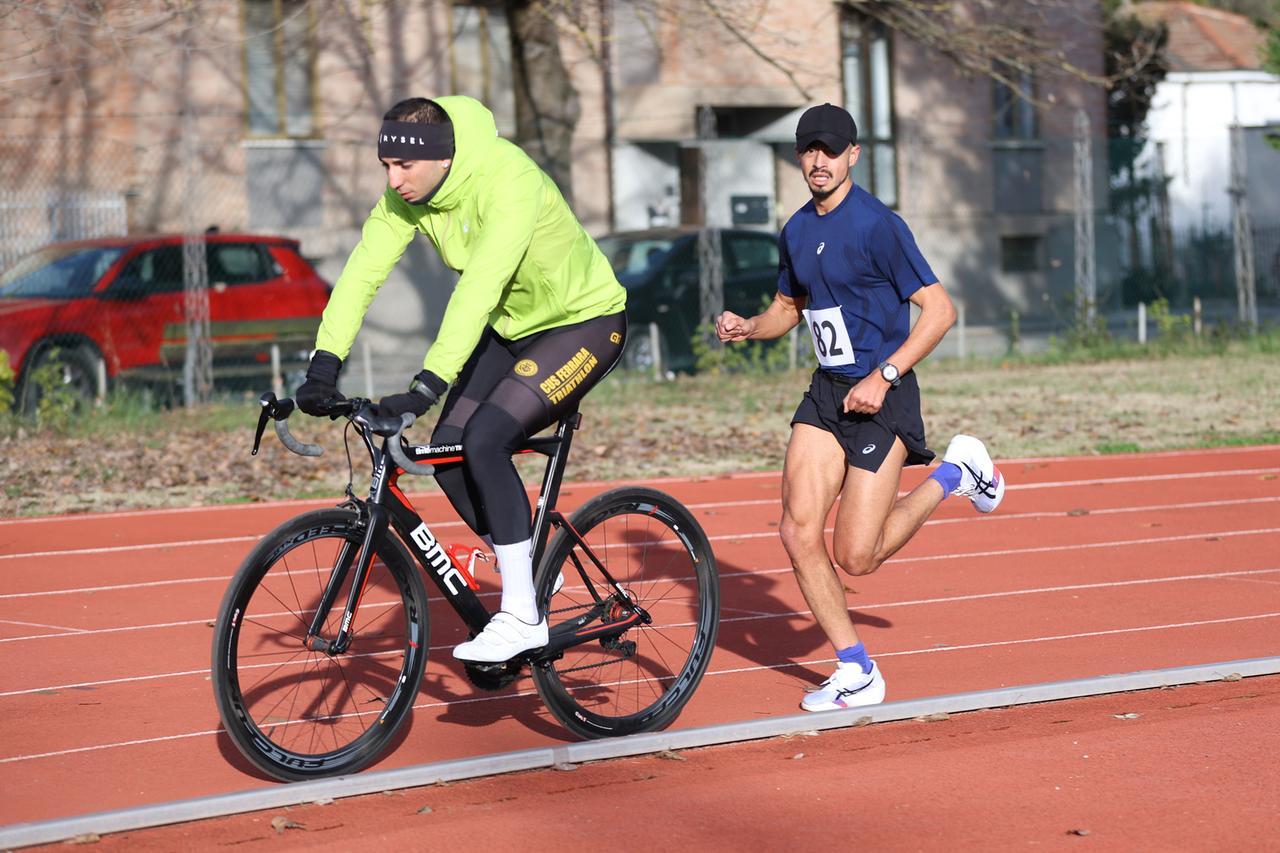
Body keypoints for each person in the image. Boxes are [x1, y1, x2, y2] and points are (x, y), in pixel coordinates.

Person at [294, 96, 627, 663]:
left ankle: (521, 612)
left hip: (584, 323)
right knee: (445, 455)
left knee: (484, 438)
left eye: (404, 167)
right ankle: (531, 578)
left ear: (442, 158)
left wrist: (425, 385)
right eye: (386, 167)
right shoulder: (409, 198)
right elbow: (361, 275)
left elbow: (478, 288)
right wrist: (324, 362)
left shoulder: (509, 178)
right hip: (511, 328)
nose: (393, 180)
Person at [715, 103, 1005, 712]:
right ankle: (856, 669)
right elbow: (789, 310)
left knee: (857, 556)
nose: (818, 160)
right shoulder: (795, 229)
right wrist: (749, 325)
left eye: (830, 148)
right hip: (827, 394)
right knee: (797, 530)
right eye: (807, 149)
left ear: (853, 154)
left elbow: (941, 311)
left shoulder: (879, 226)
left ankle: (956, 473)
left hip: (883, 399)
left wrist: (886, 373)